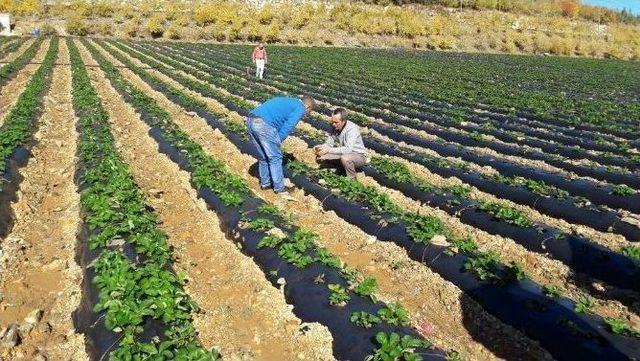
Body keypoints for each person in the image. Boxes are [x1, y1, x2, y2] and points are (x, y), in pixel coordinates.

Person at [246, 96, 315, 196]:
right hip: (263, 124)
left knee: (263, 156)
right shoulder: (300, 107)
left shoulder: (289, 101)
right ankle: (279, 188)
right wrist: (278, 140)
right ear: (308, 107)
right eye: (310, 111)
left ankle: (265, 184)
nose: (308, 113)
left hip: (252, 120)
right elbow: (289, 126)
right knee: (276, 157)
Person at [314, 108, 368, 179]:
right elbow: (329, 143)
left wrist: (328, 150)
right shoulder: (334, 127)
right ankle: (342, 169)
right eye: (332, 121)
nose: (333, 124)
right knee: (321, 157)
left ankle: (352, 179)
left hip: (358, 156)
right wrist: (321, 147)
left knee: (345, 158)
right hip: (344, 154)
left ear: (344, 121)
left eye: (336, 122)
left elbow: (348, 149)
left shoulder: (352, 129)